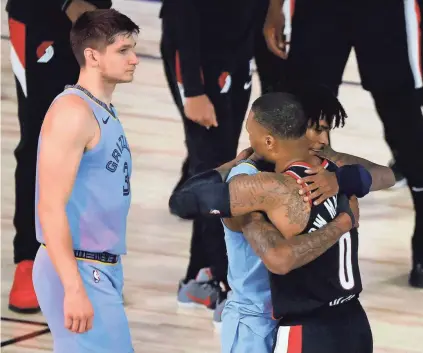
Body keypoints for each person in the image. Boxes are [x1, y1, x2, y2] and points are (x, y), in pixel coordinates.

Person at [170, 90, 395, 352]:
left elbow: (280, 259)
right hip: (292, 319)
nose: (323, 140)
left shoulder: (326, 171)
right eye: (317, 129)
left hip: (303, 324)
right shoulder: (329, 170)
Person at [263, 0, 423, 288]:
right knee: (308, 119)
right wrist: (275, 7)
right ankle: (314, 236)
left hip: (386, 10)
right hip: (320, 9)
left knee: (403, 119)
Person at [32, 9, 138, 353]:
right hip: (77, 268)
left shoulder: (100, 108)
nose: (134, 59)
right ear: (92, 56)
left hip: (97, 266)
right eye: (123, 50)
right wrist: (73, 287)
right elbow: (49, 207)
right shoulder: (73, 114)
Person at [6, 0, 112, 313]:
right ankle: (29, 259)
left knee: (91, 140)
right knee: (39, 141)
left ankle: (83, 260)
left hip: (96, 19)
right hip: (39, 19)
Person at [159, 0, 264, 312]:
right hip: (198, 56)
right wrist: (193, 89)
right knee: (212, 170)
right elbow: (183, 13)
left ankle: (199, 276)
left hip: (236, 47)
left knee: (220, 163)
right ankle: (223, 280)